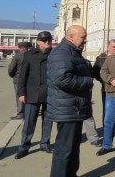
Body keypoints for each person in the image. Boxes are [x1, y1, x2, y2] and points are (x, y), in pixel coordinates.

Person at [47, 25, 93, 177]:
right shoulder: (62, 52)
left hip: (74, 107)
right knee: (64, 150)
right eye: (83, 37)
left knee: (73, 148)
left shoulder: (72, 51)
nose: (85, 40)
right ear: (71, 36)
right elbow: (62, 79)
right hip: (67, 108)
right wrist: (87, 82)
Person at [14, 32, 54, 159]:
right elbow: (22, 76)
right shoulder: (29, 55)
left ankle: (45, 143)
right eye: (44, 39)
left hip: (50, 93)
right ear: (38, 41)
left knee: (48, 121)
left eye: (49, 39)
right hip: (32, 93)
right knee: (29, 122)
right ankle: (24, 147)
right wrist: (21, 93)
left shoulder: (54, 54)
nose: (47, 41)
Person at [92, 39, 115, 131]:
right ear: (108, 47)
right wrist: (103, 80)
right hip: (106, 89)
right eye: (113, 47)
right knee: (107, 110)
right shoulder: (101, 59)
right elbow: (95, 72)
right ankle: (107, 129)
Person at [7, 41, 32, 120]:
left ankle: (20, 113)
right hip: (29, 79)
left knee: (19, 96)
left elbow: (11, 69)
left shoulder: (17, 56)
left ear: (19, 48)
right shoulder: (31, 55)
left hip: (18, 79)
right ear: (27, 47)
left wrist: (12, 76)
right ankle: (28, 112)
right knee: (28, 95)